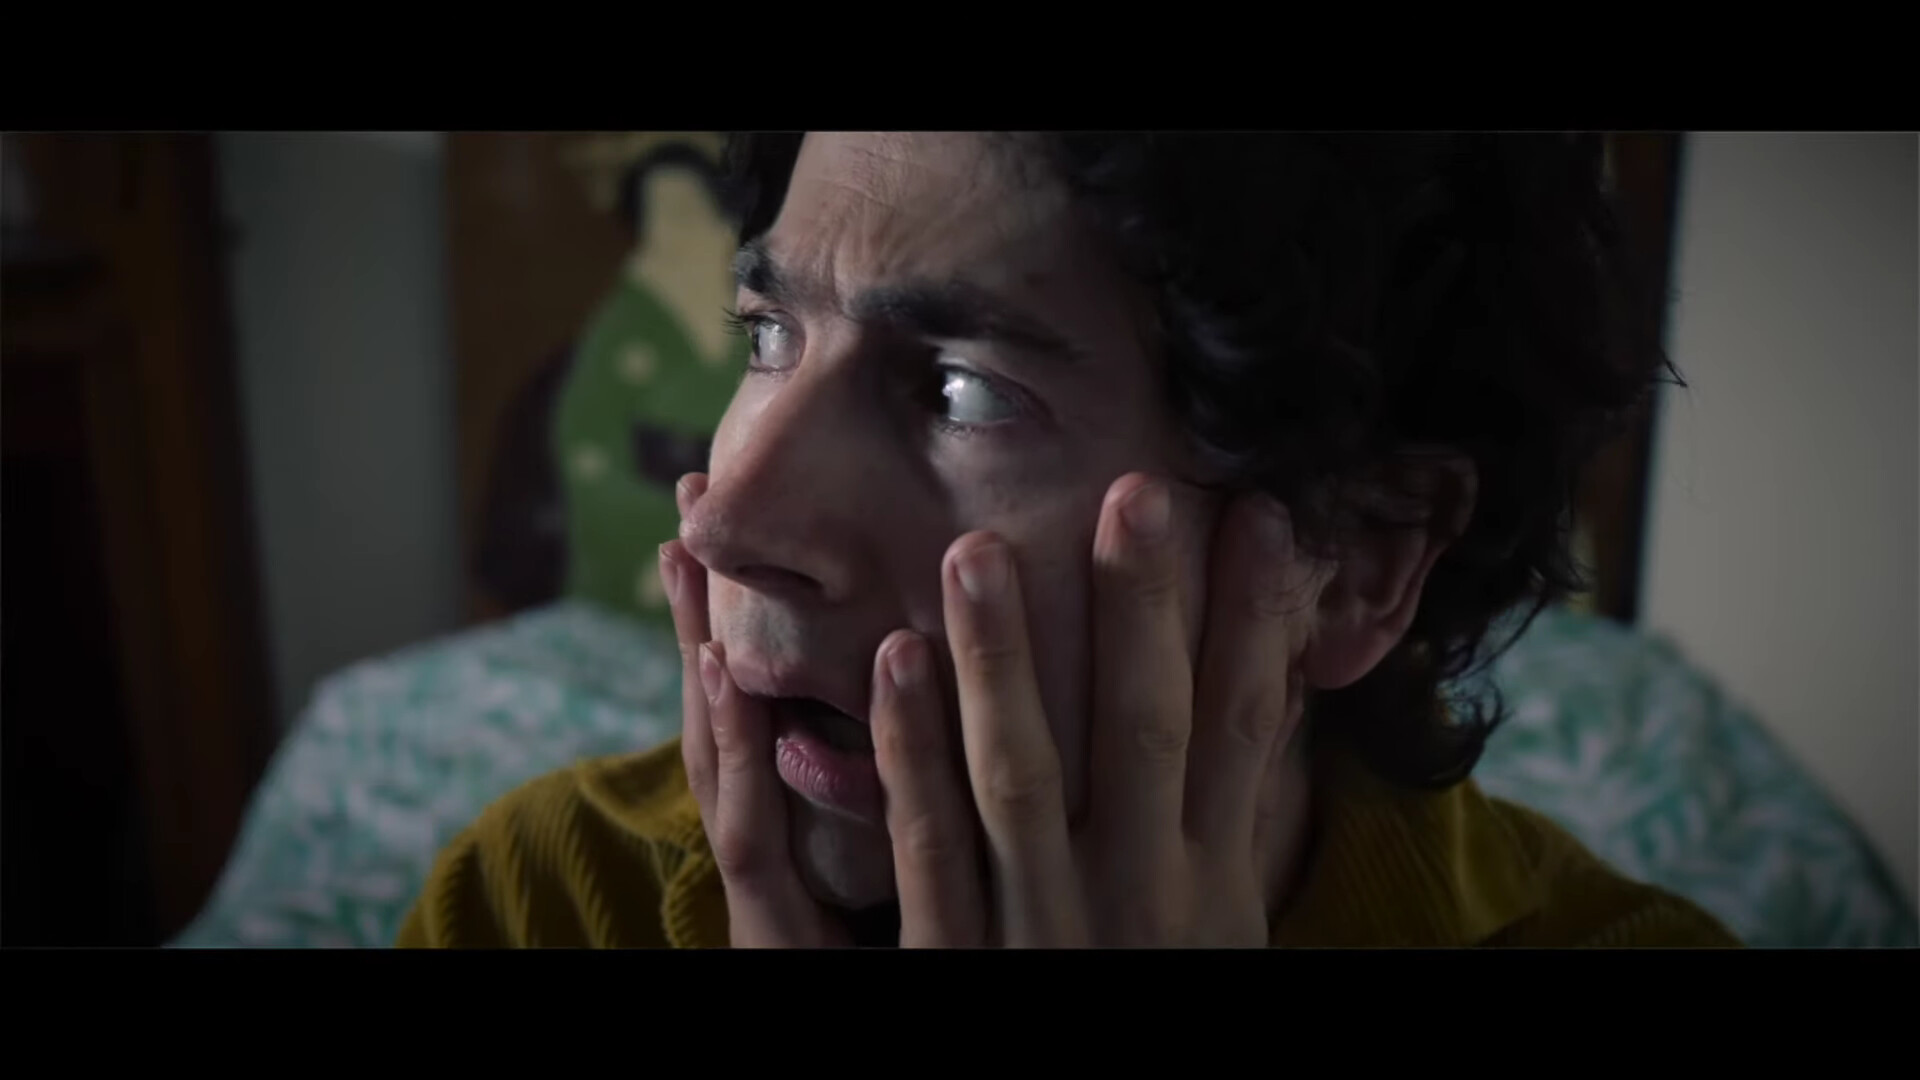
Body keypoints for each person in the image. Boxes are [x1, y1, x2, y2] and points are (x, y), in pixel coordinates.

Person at [397, 132, 1740, 948]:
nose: (727, 521)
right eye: (768, 334)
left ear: (1361, 559)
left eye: (963, 391)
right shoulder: (534, 904)